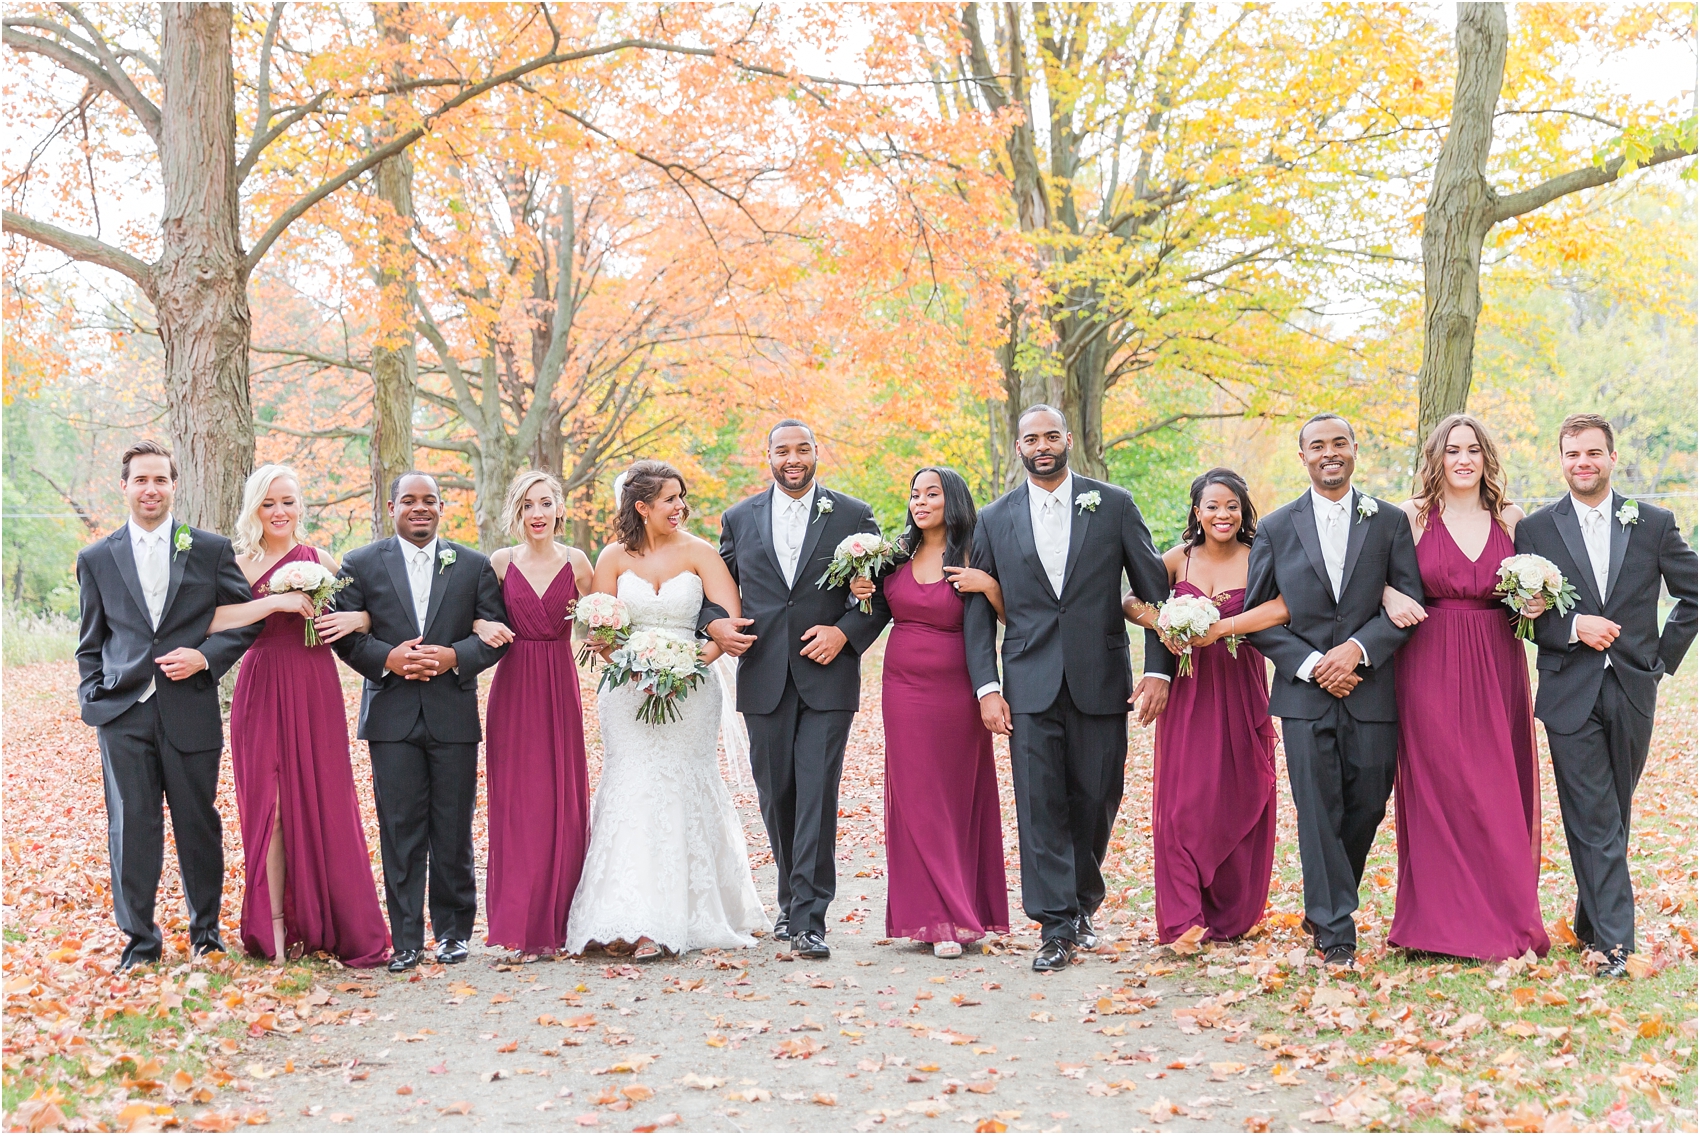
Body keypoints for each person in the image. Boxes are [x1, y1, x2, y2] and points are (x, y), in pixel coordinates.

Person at [962, 405, 1174, 972]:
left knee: (1097, 796)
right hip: (1028, 681)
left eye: (1051, 435)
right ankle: (1055, 924)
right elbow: (978, 613)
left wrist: (1159, 671)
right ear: (1018, 448)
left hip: (1102, 680)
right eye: (1031, 438)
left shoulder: (1115, 505)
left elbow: (1154, 592)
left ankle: (1083, 900)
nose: (1043, 446)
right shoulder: (994, 518)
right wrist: (986, 685)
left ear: (1069, 440)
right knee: (1039, 803)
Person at [696, 421, 888, 961]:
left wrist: (845, 632)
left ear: (816, 453)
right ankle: (789, 897)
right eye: (783, 450)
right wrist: (715, 626)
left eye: (803, 449)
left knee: (816, 795)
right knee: (776, 794)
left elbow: (878, 594)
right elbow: (715, 593)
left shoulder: (853, 516)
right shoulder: (738, 518)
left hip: (827, 676)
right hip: (762, 676)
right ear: (769, 457)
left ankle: (809, 917)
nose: (793, 458)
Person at [1515, 414, 1697, 977]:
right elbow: (1520, 619)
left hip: (1633, 687)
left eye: (1593, 453)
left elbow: (1692, 594)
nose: (1582, 463)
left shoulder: (1653, 522)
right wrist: (1573, 628)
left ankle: (1592, 920)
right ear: (1561, 459)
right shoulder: (1536, 532)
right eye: (1572, 454)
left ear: (1612, 458)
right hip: (1569, 691)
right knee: (1593, 815)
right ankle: (1616, 946)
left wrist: (1659, 662)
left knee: (1613, 812)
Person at [75, 440, 264, 969]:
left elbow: (246, 618)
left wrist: (205, 659)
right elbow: (90, 642)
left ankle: (206, 934)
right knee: (131, 826)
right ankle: (140, 942)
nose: (151, 489)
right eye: (141, 480)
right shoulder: (96, 558)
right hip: (123, 714)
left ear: (174, 485)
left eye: (160, 480)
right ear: (125, 486)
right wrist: (94, 699)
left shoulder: (208, 548)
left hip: (190, 709)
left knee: (197, 823)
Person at [1244, 413, 1423, 968]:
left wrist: (1359, 651)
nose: (1330, 452)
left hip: (1373, 692)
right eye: (1317, 445)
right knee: (1318, 808)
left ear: (1353, 451)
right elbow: (1258, 618)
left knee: (1367, 803)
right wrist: (1316, 662)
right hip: (1304, 696)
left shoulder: (1390, 521)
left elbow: (1410, 603)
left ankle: (1327, 899)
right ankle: (1334, 925)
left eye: (1339, 443)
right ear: (1303, 457)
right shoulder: (1275, 527)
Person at [566, 461, 766, 959]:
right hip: (628, 691)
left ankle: (684, 912)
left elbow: (731, 623)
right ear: (642, 507)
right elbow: (601, 629)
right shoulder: (612, 556)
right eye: (669, 499)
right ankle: (626, 914)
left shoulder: (700, 553)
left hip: (691, 689)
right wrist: (634, 667)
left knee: (682, 783)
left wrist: (685, 664)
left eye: (682, 497)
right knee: (631, 786)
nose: (681, 507)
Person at [204, 464, 390, 967]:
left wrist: (361, 617)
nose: (279, 512)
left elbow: (370, 612)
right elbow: (214, 618)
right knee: (273, 807)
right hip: (262, 683)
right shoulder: (239, 565)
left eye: (287, 501)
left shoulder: (321, 560)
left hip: (315, 686)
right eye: (268, 503)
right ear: (254, 510)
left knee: (323, 802)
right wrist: (276, 603)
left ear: (299, 506)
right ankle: (276, 927)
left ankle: (330, 920)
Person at [1382, 416, 1550, 961]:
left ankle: (1503, 917)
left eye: (1473, 449)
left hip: (1497, 660)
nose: (1463, 459)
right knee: (1438, 787)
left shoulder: (1511, 517)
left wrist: (1535, 601)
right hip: (1428, 658)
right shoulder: (1411, 517)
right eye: (1452, 449)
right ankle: (1435, 926)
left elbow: (1530, 590)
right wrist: (1388, 595)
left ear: (1486, 457)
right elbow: (1372, 575)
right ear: (1436, 458)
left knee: (1497, 784)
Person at [328, 473, 509, 972]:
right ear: (392, 507)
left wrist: (454, 656)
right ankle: (406, 939)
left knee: (452, 829)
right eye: (409, 500)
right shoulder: (360, 564)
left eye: (429, 500)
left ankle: (453, 933)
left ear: (442, 506)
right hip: (392, 717)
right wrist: (388, 659)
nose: (420, 508)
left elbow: (494, 633)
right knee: (399, 828)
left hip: (453, 714)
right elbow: (343, 633)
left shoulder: (473, 565)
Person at [849, 467, 1008, 959]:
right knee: (915, 800)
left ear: (952, 500)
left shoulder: (973, 557)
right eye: (914, 493)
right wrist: (858, 594)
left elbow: (996, 624)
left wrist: (988, 690)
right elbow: (872, 616)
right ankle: (930, 919)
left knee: (954, 800)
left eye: (931, 494)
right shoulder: (894, 555)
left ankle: (961, 915)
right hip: (901, 690)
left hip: (956, 691)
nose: (920, 502)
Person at [1121, 469, 1285, 944]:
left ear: (1243, 511)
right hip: (1190, 692)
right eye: (1212, 506)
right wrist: (1162, 621)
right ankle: (1183, 919)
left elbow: (1281, 608)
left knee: (1242, 793)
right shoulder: (1178, 559)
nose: (1222, 514)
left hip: (1240, 686)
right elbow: (1131, 598)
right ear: (1197, 511)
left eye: (1231, 506)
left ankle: (1233, 913)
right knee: (1182, 806)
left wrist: (1220, 630)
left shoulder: (1260, 558)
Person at [468, 471, 594, 959]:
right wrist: (483, 621)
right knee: (519, 804)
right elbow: (474, 616)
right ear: (516, 514)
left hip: (559, 685)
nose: (536, 514)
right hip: (514, 686)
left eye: (545, 504)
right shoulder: (499, 563)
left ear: (559, 509)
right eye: (526, 506)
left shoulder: (579, 563)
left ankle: (561, 922)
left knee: (562, 798)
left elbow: (605, 623)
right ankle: (520, 922)